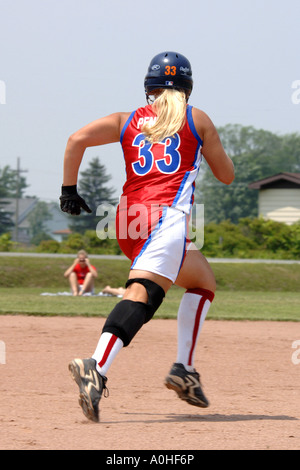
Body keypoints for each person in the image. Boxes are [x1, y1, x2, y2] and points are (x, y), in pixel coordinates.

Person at [60, 51, 234, 422]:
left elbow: (76, 139)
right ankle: (96, 366)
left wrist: (69, 190)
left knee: (202, 281)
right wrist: (207, 143)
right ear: (188, 88)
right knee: (142, 295)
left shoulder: (127, 120)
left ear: (148, 87)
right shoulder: (195, 118)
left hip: (127, 221)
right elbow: (227, 176)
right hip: (165, 220)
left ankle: (184, 369)